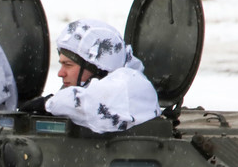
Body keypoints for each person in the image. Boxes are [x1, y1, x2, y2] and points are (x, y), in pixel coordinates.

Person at [23, 19, 160, 133]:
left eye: (68, 65)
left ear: (97, 68)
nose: (60, 73)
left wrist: (47, 104)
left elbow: (91, 104)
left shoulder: (131, 84)